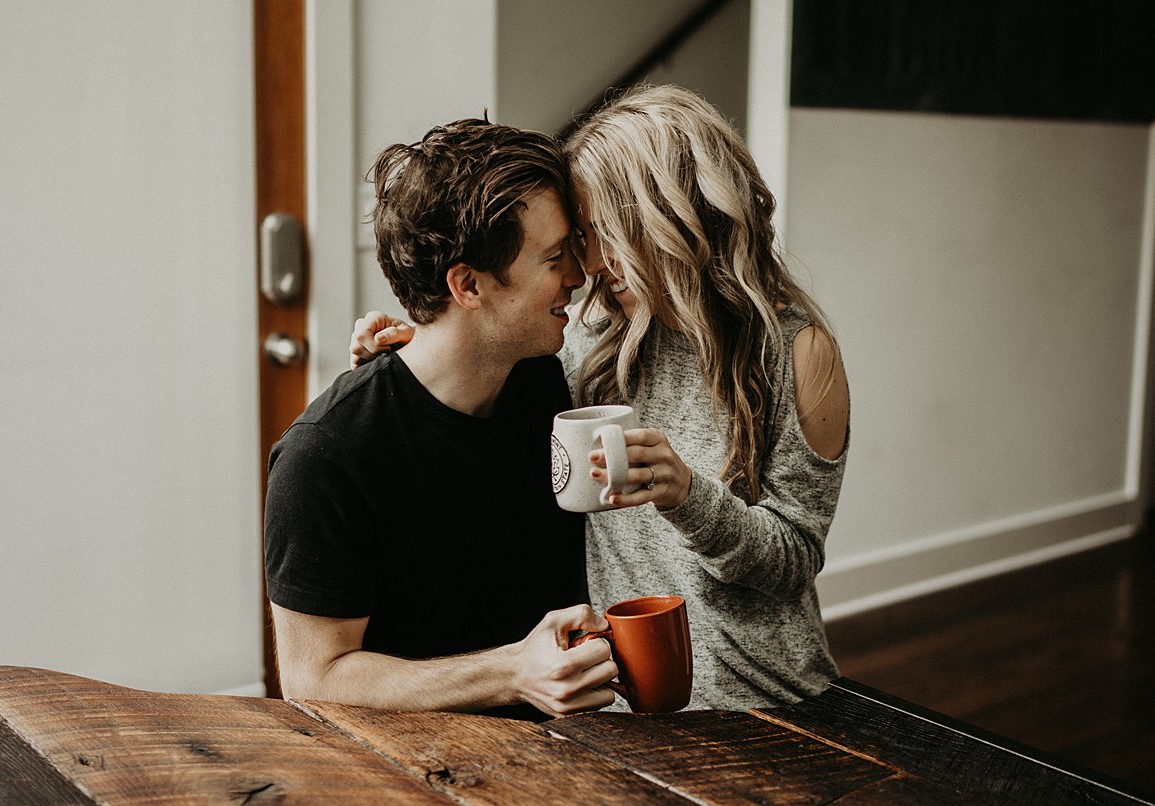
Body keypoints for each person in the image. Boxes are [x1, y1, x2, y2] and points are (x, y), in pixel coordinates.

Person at [352, 84, 850, 710]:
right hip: (621, 706)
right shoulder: (589, 343)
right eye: (582, 238)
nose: (589, 265)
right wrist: (416, 344)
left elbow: (795, 560)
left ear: (673, 219)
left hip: (771, 702)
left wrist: (689, 497)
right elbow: (484, 337)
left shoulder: (798, 354)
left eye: (605, 233)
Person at [266, 118, 618, 721]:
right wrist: (513, 673)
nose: (578, 278)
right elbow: (313, 677)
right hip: (410, 770)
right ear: (469, 285)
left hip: (573, 750)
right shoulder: (324, 457)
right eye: (556, 258)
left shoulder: (546, 384)